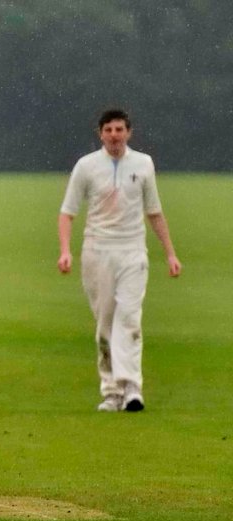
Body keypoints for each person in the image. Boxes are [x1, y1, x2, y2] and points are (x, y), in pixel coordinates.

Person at [57, 108, 181, 413]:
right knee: (105, 324)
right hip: (97, 251)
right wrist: (65, 250)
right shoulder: (87, 167)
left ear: (129, 132)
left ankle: (132, 388)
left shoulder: (143, 164)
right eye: (109, 130)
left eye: (120, 129)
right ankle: (111, 391)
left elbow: (154, 212)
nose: (114, 135)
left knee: (129, 317)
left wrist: (170, 253)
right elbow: (67, 212)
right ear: (100, 133)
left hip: (132, 249)